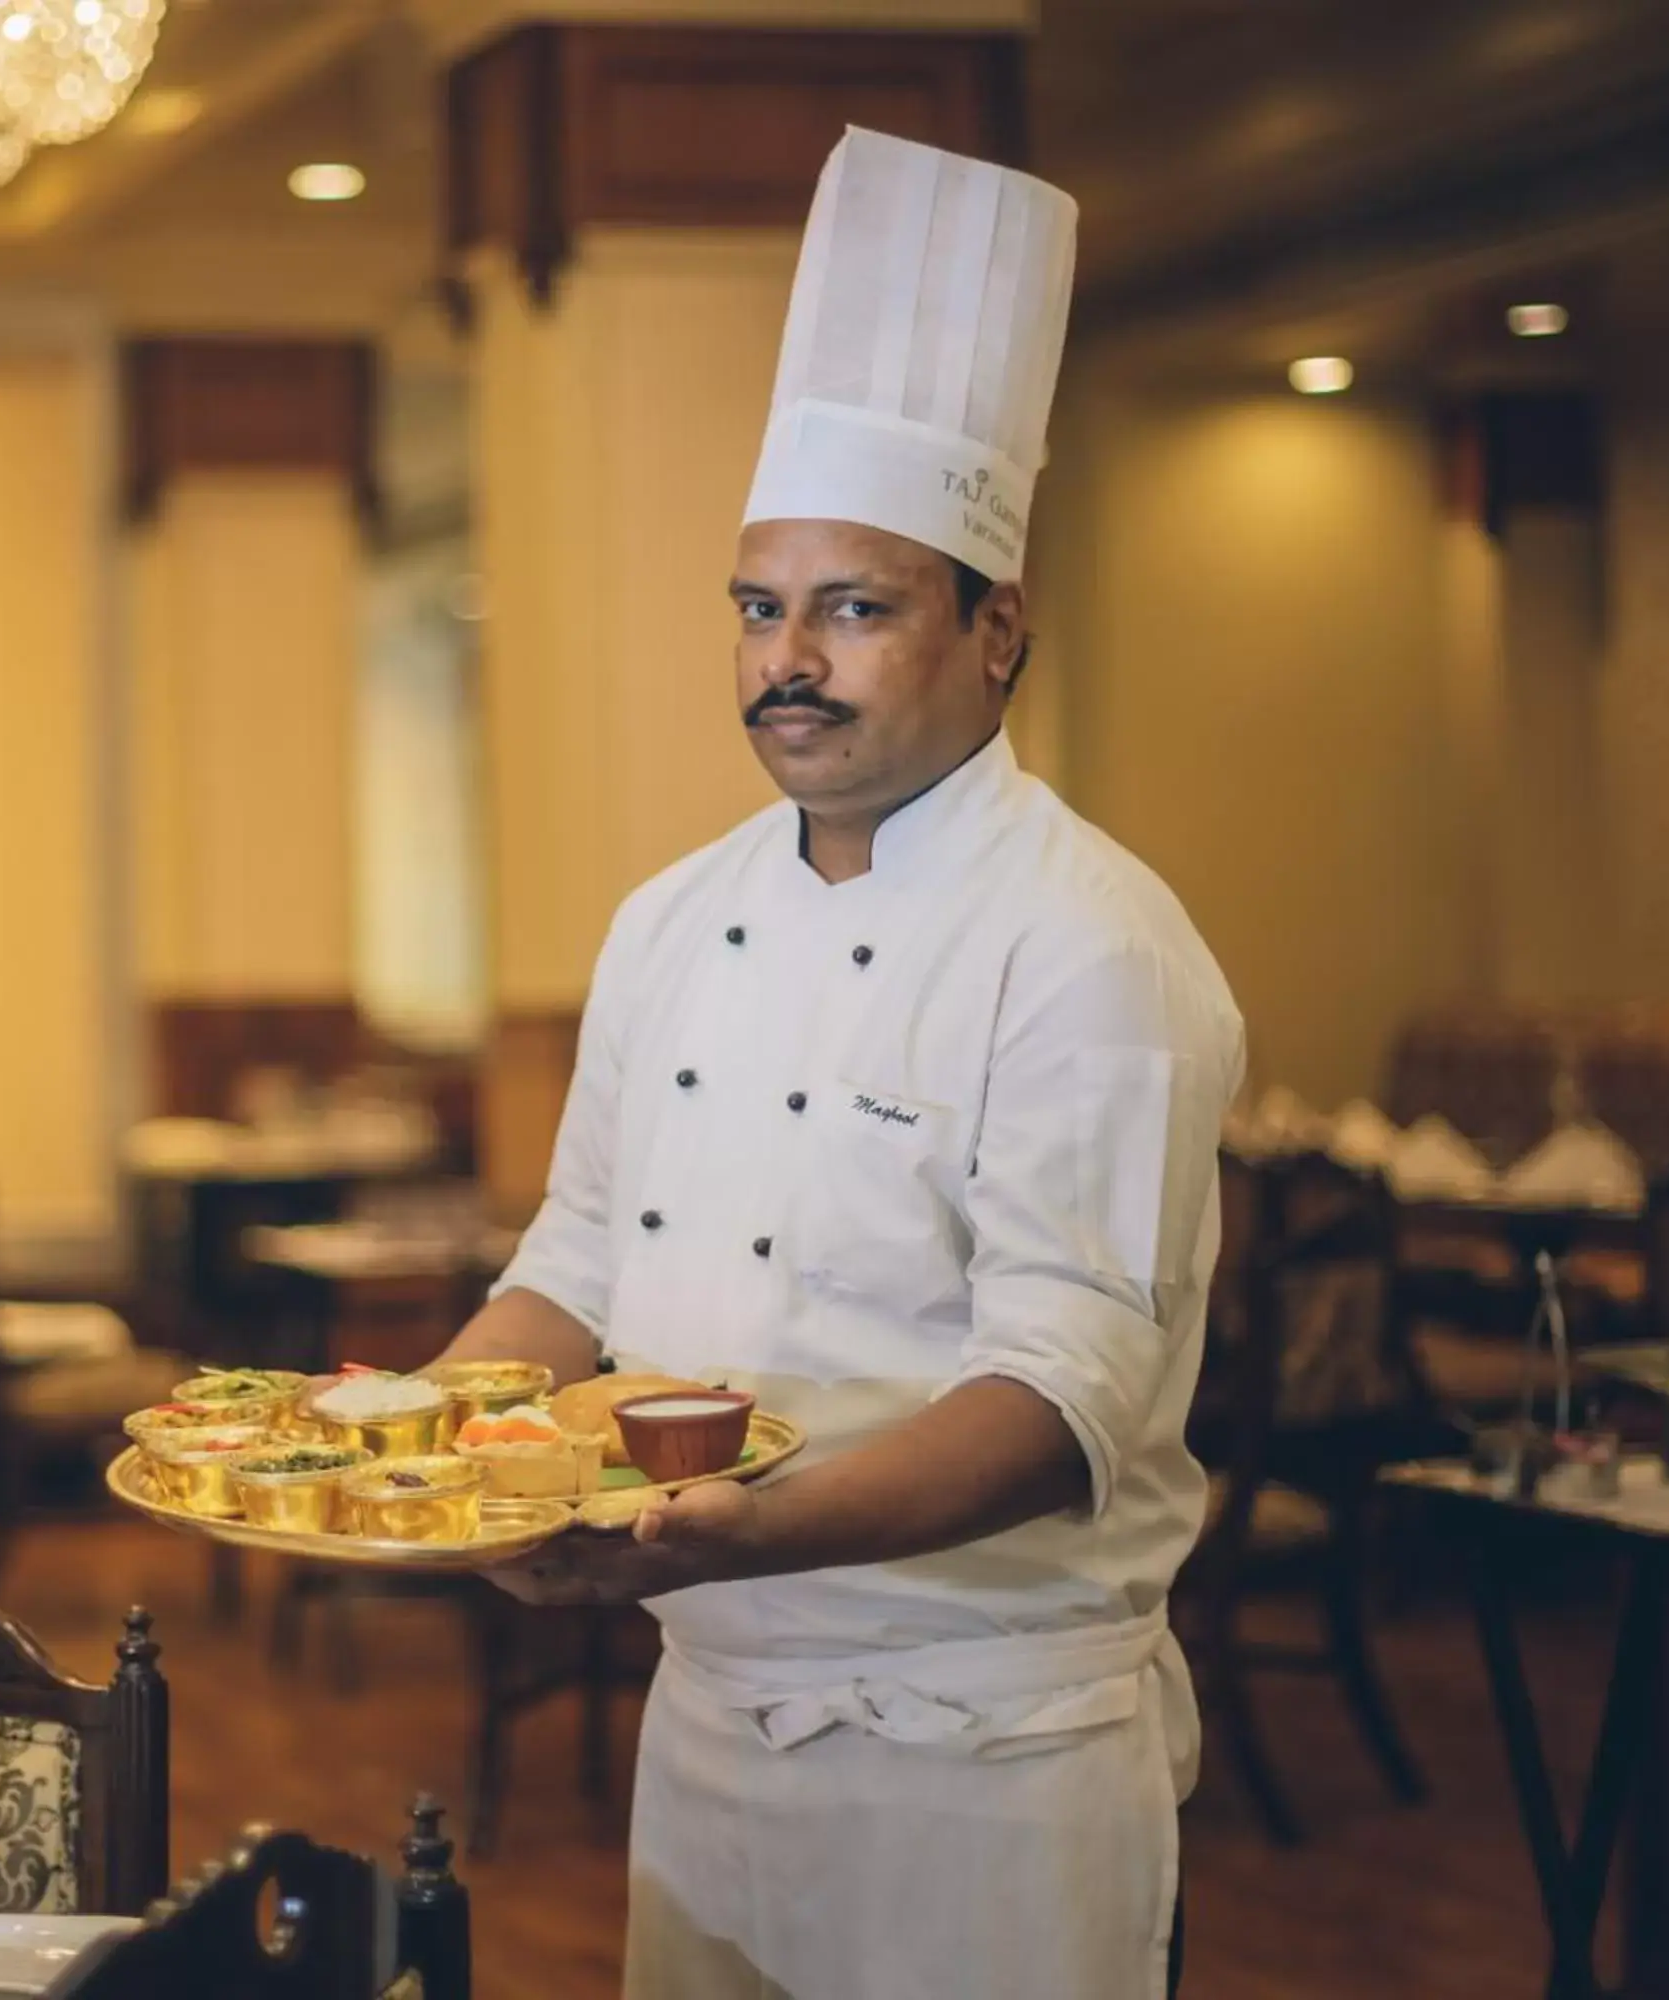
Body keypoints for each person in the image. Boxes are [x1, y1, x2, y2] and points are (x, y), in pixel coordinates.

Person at [441, 127, 1243, 1999]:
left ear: (997, 630)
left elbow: (1060, 1406)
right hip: (713, 1721)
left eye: (854, 609)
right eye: (756, 607)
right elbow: (576, 1259)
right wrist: (412, 1444)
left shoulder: (1094, 945)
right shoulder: (666, 918)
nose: (785, 662)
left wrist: (711, 1539)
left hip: (990, 1758)